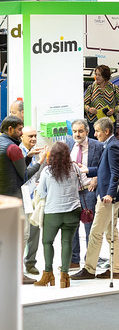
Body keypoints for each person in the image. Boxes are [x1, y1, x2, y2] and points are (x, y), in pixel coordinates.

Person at [71, 118, 119, 280]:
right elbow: (106, 169)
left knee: (96, 233)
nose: (95, 134)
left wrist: (110, 194)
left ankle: (89, 269)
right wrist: (88, 170)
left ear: (106, 131)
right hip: (109, 195)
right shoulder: (111, 145)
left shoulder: (112, 146)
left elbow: (116, 174)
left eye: (97, 131)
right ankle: (116, 269)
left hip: (108, 197)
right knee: (111, 233)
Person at [34, 142, 88, 288]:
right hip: (73, 211)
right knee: (67, 242)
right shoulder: (75, 168)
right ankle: (65, 277)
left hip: (53, 212)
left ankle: (48, 274)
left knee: (47, 242)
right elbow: (81, 185)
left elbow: (41, 192)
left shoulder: (47, 171)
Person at [0, 115, 45, 284]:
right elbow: (25, 176)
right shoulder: (13, 148)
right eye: (20, 130)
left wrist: (27, 157)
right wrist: (40, 161)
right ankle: (17, 274)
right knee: (22, 235)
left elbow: (12, 168)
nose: (21, 133)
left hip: (3, 197)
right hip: (14, 198)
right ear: (10, 129)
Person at [66, 119, 102, 270]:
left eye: (80, 131)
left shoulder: (97, 145)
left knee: (89, 226)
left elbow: (103, 165)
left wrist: (96, 178)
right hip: (72, 192)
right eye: (75, 131)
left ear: (87, 131)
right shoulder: (68, 144)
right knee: (72, 227)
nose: (77, 134)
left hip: (89, 190)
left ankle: (91, 260)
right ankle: (74, 260)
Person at [21, 126, 44, 275]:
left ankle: (30, 263)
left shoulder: (37, 152)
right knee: (23, 233)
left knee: (34, 230)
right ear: (22, 137)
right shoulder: (18, 152)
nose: (34, 139)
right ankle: (16, 266)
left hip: (34, 196)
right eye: (30, 136)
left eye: (35, 136)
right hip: (22, 197)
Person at [83, 64, 119, 138]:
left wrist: (113, 110)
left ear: (105, 76)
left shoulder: (114, 88)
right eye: (96, 74)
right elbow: (84, 104)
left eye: (99, 75)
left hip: (108, 122)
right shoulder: (91, 88)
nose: (96, 77)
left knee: (109, 142)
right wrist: (89, 109)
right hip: (93, 122)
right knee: (94, 143)